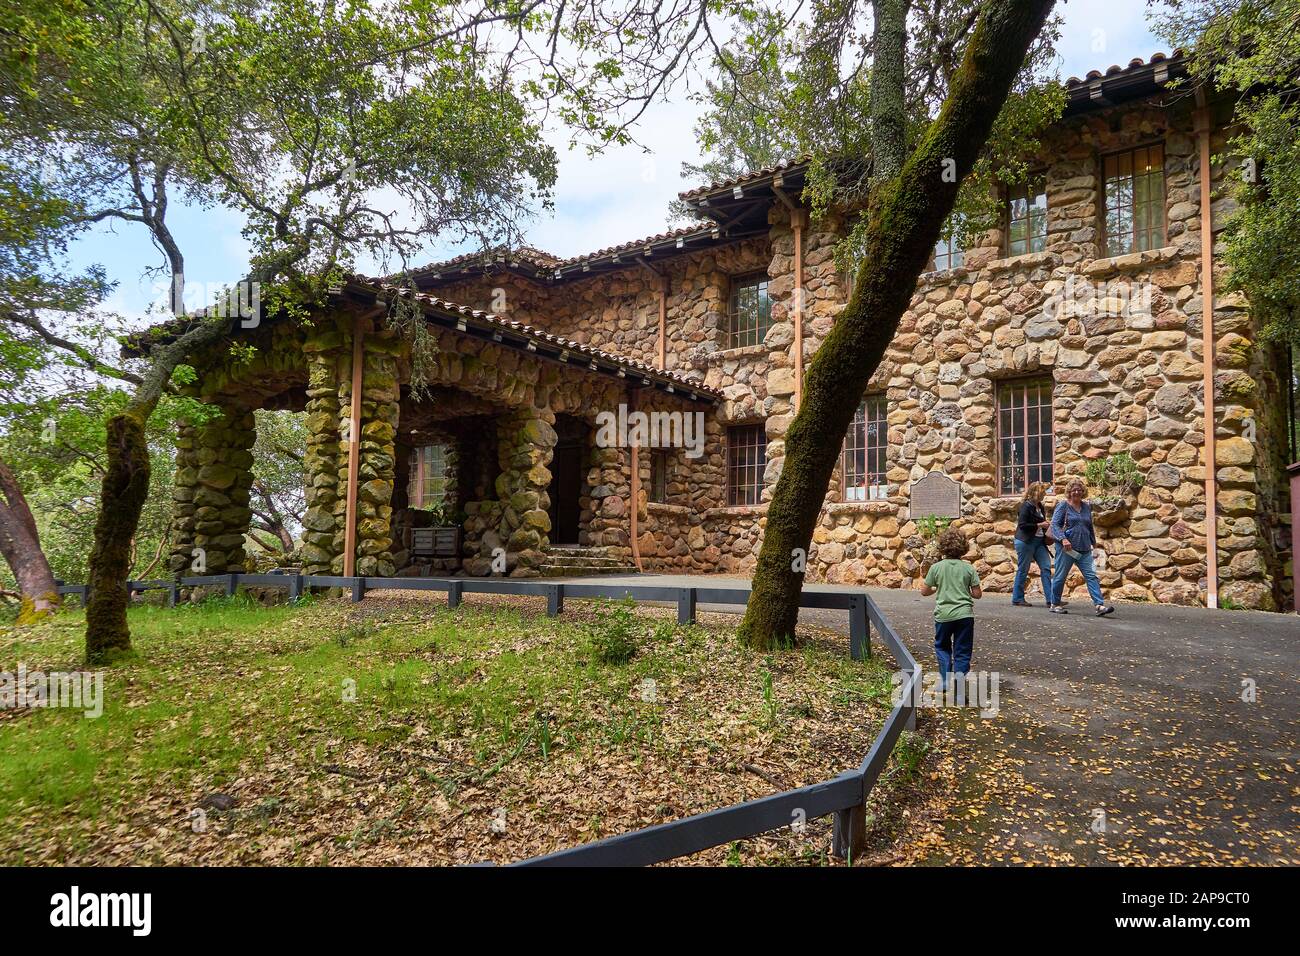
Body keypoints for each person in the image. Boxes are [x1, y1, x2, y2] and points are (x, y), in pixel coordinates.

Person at [920, 527, 982, 681]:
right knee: (962, 650)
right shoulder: (968, 568)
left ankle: (946, 678)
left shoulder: (936, 568)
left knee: (942, 646)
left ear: (942, 547)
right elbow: (977, 594)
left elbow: (924, 591)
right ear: (964, 547)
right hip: (964, 615)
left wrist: (935, 589)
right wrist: (965, 590)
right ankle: (959, 682)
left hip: (943, 615)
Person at [1049, 478, 1115, 617]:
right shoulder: (1063, 506)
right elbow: (1054, 525)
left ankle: (1099, 605)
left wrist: (1094, 543)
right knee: (1060, 576)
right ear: (1069, 492)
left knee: (1092, 576)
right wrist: (1063, 539)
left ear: (1083, 492)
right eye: (1074, 490)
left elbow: (1089, 526)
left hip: (1084, 548)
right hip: (1067, 548)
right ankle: (1054, 604)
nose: (1077, 492)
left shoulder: (1086, 507)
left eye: (1079, 490)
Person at [1012, 481, 1054, 608]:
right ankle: (1017, 598)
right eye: (1042, 492)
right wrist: (1039, 525)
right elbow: (1023, 525)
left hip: (1039, 542)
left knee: (1046, 567)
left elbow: (1040, 521)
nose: (1044, 495)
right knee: (1023, 569)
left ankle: (1051, 599)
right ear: (1036, 493)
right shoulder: (1026, 506)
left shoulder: (1040, 506)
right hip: (1025, 541)